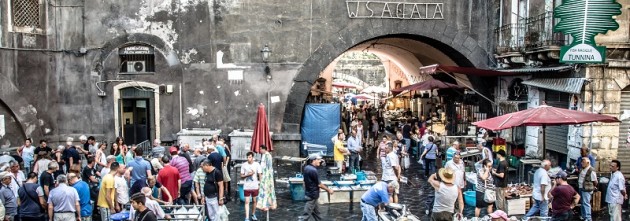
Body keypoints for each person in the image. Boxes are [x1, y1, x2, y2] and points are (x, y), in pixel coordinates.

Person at [299, 154, 334, 221]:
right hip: (312, 196)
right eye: (318, 160)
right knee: (305, 216)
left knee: (317, 214)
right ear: (313, 160)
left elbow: (304, 181)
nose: (319, 161)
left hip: (310, 194)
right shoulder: (313, 170)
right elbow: (319, 184)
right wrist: (328, 190)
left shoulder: (306, 168)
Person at [241, 152, 262, 221]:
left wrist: (260, 184)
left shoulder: (257, 164)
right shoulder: (244, 165)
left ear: (252, 157)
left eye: (250, 157)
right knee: (247, 201)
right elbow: (241, 176)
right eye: (247, 157)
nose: (248, 158)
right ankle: (246, 217)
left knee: (254, 201)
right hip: (247, 186)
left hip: (254, 186)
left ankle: (253, 214)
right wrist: (248, 175)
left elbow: (260, 175)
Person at [256, 145, 277, 211]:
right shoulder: (264, 155)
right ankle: (263, 204)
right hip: (264, 174)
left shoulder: (268, 155)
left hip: (267, 175)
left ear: (263, 149)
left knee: (267, 188)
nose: (260, 151)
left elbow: (269, 167)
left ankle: (268, 204)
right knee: (263, 188)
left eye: (261, 149)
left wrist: (266, 176)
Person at [578, 156, 598, 221]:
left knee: (586, 203)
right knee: (582, 203)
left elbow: (595, 181)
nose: (582, 163)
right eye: (581, 162)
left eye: (583, 162)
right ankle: (584, 216)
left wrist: (593, 187)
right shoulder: (582, 169)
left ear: (588, 163)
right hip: (581, 188)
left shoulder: (591, 170)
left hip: (587, 189)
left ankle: (588, 218)